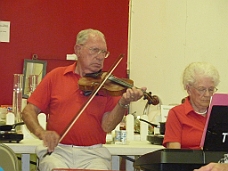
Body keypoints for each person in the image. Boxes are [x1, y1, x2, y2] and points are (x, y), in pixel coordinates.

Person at [21, 28, 146, 171]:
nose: (100, 57)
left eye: (104, 52)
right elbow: (28, 111)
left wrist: (123, 103)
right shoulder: (56, 76)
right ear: (78, 49)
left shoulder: (107, 85)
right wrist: (41, 133)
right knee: (52, 166)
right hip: (58, 151)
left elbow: (107, 126)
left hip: (93, 154)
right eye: (94, 50)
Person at [163, 62, 220, 149]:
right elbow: (174, 155)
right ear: (188, 89)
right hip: (189, 162)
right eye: (202, 89)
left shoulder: (221, 113)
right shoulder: (176, 114)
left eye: (211, 89)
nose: (207, 94)